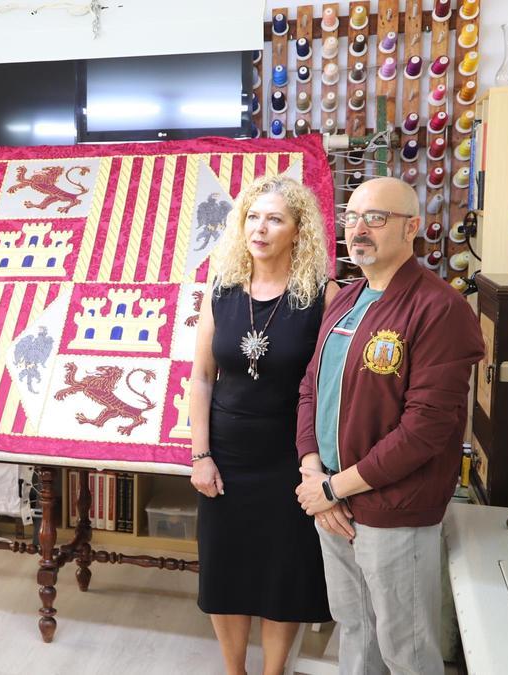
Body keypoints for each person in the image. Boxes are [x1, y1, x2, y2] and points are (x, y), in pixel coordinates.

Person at [295, 177, 484, 675]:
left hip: (392, 509)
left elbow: (427, 428)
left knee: (407, 646)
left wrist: (335, 487)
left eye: (376, 218)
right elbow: (311, 389)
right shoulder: (345, 298)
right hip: (332, 501)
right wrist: (313, 474)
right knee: (354, 629)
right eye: (352, 217)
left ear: (411, 228)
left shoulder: (440, 308)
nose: (360, 229)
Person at [189, 175, 336, 675]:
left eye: (275, 218)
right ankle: (235, 671)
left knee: (283, 575)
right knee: (225, 570)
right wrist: (200, 455)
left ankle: (275, 673)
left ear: (299, 230)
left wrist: (315, 466)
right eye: (253, 216)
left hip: (289, 458)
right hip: (227, 454)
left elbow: (330, 388)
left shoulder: (323, 294)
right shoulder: (223, 290)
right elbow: (202, 378)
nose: (261, 227)